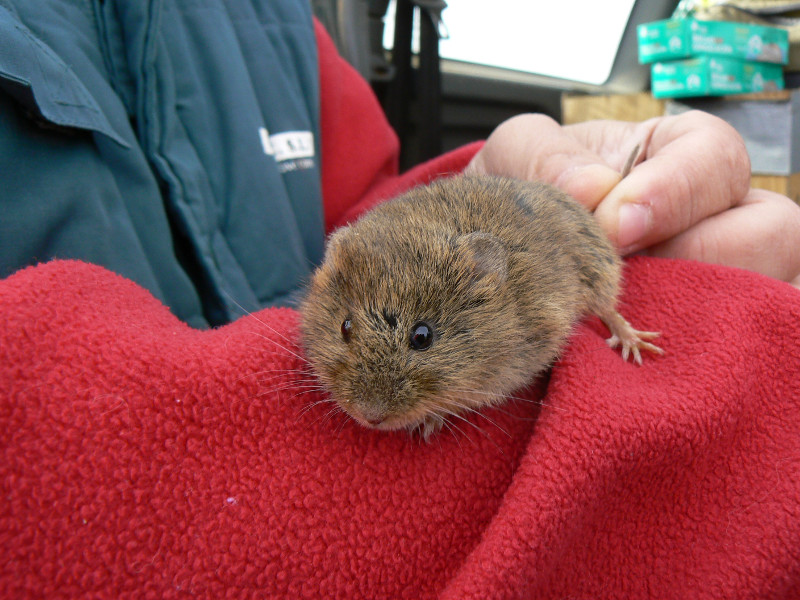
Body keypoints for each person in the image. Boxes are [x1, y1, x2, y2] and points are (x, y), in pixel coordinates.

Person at [2, 1, 800, 599]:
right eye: (349, 334)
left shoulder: (276, 20)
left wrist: (493, 171)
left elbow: (358, 212)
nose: (371, 404)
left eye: (419, 340)